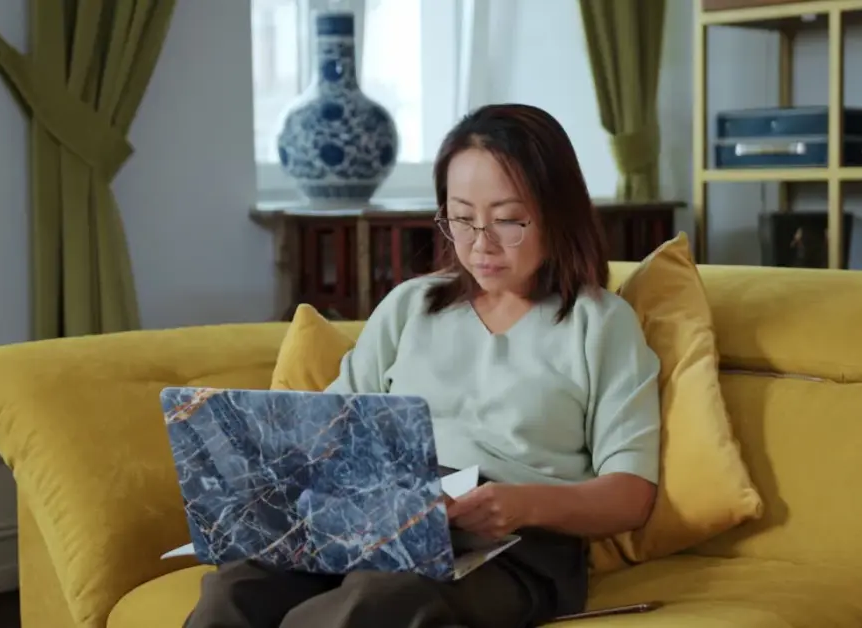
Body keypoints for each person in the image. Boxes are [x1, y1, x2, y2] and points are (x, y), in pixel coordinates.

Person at [185, 103, 662, 628]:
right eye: (461, 218)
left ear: (557, 211)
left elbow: (631, 495)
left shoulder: (599, 323)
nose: (481, 244)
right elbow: (328, 436)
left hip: (517, 548)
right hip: (377, 523)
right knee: (235, 590)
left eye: (507, 220)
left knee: (378, 600)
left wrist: (523, 504)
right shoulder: (412, 305)